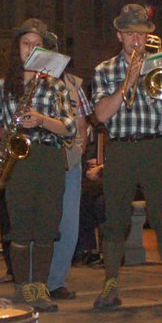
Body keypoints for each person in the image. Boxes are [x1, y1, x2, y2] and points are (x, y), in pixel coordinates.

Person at [90, 4, 162, 309]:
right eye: (130, 33)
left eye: (142, 34)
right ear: (119, 35)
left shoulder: (161, 65)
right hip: (120, 147)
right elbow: (101, 114)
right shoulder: (104, 70)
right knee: (115, 219)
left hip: (156, 147)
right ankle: (110, 285)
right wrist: (127, 82)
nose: (137, 39)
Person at [0, 20, 73, 311]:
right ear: (17, 50)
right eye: (25, 43)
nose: (31, 48)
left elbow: (69, 127)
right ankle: (23, 286)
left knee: (47, 225)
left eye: (36, 44)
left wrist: (41, 119)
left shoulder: (56, 86)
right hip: (18, 159)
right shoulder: (3, 86)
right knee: (20, 226)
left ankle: (41, 287)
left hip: (48, 157)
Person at [47, 62, 93, 300]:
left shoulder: (74, 85)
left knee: (68, 224)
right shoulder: (27, 80)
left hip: (69, 161)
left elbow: (83, 122)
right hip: (40, 158)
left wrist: (80, 150)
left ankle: (56, 281)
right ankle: (31, 278)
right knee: (39, 220)